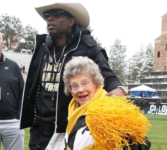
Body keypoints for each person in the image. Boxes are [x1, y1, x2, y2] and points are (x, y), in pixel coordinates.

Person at [19, 3, 127, 150]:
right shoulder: (42, 48)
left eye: (56, 14)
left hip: (68, 128)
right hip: (39, 130)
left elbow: (108, 77)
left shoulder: (89, 49)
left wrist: (119, 89)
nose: (49, 19)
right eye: (47, 16)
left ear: (71, 21)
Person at [58, 57, 150, 150]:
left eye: (85, 83)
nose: (80, 90)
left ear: (96, 83)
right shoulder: (73, 109)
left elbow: (139, 144)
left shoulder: (110, 109)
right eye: (75, 85)